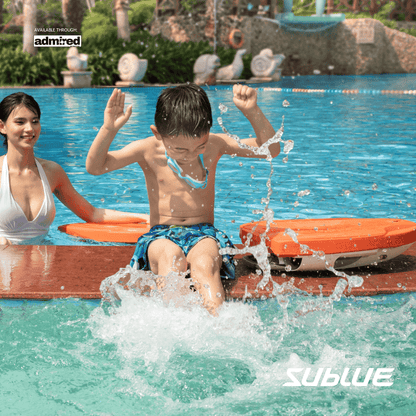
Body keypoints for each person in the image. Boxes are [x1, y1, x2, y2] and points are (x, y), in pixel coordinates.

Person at [86, 84, 280, 314]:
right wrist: (109, 129)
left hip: (205, 233)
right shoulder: (147, 149)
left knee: (204, 264)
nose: (190, 155)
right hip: (161, 235)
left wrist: (251, 110)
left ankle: (217, 326)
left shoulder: (215, 144)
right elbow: (95, 167)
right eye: (180, 149)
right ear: (158, 133)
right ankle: (174, 327)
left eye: (200, 146)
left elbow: (270, 149)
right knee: (172, 259)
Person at [0, 92, 148, 246]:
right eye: (20, 122)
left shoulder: (51, 172)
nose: (30, 128)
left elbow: (92, 213)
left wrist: (144, 218)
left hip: (43, 262)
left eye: (35, 121)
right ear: (2, 127)